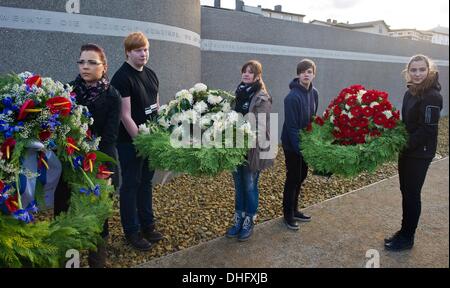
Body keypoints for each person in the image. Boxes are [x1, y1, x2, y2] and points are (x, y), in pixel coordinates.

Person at [54, 43, 122, 267]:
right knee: (66, 214)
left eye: (92, 62)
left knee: (96, 218)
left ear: (104, 66)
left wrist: (93, 164)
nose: (85, 67)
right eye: (82, 61)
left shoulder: (112, 96)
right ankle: (69, 262)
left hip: (99, 166)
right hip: (69, 165)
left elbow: (110, 137)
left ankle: (96, 261)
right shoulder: (68, 91)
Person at [110, 32, 163, 251]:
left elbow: (157, 107)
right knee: (131, 184)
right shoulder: (122, 77)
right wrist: (141, 142)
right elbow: (125, 115)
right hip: (129, 142)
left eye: (146, 49)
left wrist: (158, 136)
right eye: (139, 50)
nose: (144, 54)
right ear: (128, 52)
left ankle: (147, 224)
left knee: (146, 182)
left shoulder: (150, 74)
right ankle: (131, 231)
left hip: (150, 140)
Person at [384, 54, 443, 251]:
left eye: (421, 69)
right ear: (408, 72)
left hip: (420, 154)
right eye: (413, 70)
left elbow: (427, 130)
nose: (417, 74)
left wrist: (402, 145)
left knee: (412, 194)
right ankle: (404, 231)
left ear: (429, 70)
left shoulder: (432, 96)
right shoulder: (410, 92)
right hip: (408, 150)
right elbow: (407, 124)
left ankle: (408, 238)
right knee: (405, 192)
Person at [225, 60, 274, 241]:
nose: (246, 74)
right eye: (244, 71)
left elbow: (260, 127)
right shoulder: (238, 93)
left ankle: (249, 220)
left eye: (250, 72)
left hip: (252, 150)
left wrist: (239, 130)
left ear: (257, 75)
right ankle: (239, 218)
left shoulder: (262, 97)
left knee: (250, 185)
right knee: (238, 186)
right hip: (236, 149)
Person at [280, 59, 319, 230]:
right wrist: (301, 149)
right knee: (293, 177)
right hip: (292, 144)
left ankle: (295, 210)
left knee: (302, 175)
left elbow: (312, 118)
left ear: (313, 74)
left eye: (309, 71)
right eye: (302, 71)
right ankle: (288, 215)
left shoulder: (314, 93)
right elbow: (292, 127)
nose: (306, 74)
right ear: (298, 75)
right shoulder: (291, 98)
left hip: (305, 143)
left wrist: (312, 141)